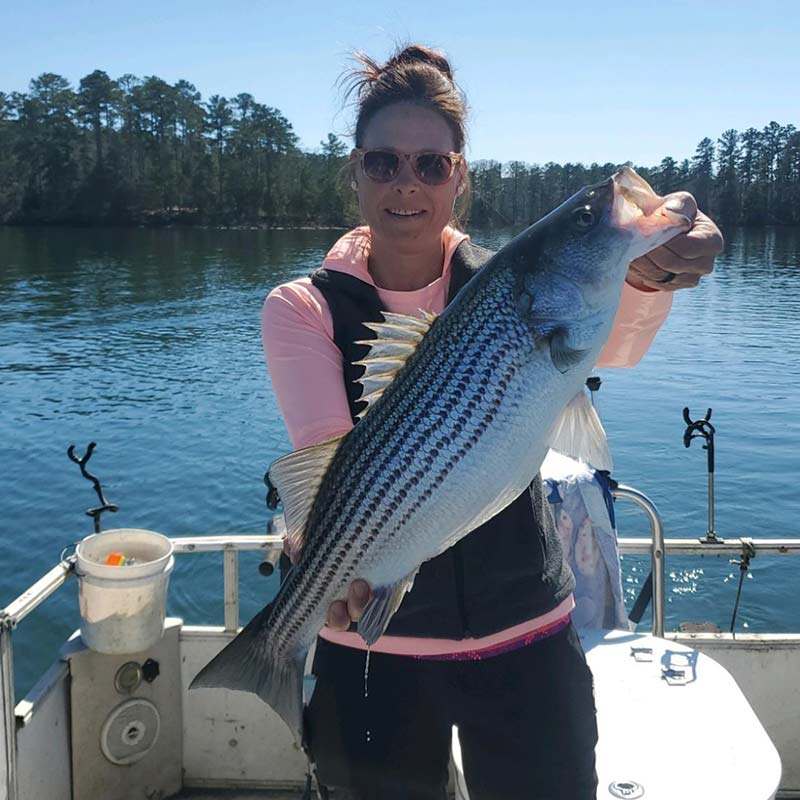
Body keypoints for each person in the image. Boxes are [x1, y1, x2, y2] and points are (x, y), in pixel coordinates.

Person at [262, 45, 722, 800]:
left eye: (431, 166)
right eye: (384, 163)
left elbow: (621, 340)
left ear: (460, 175)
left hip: (525, 635)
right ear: (355, 170)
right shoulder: (303, 307)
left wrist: (656, 265)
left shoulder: (506, 283)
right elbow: (322, 454)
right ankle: (272, 659)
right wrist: (316, 554)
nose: (407, 184)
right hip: (368, 644)